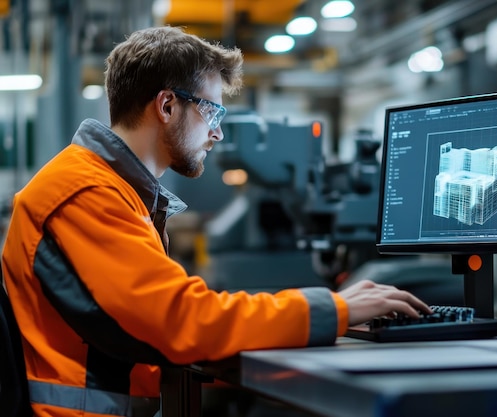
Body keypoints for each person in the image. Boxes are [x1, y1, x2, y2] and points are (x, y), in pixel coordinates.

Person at [0, 26, 431, 417]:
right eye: (213, 111)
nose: (218, 133)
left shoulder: (112, 189)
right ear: (167, 105)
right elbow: (182, 320)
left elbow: (156, 324)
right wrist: (333, 309)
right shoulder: (85, 191)